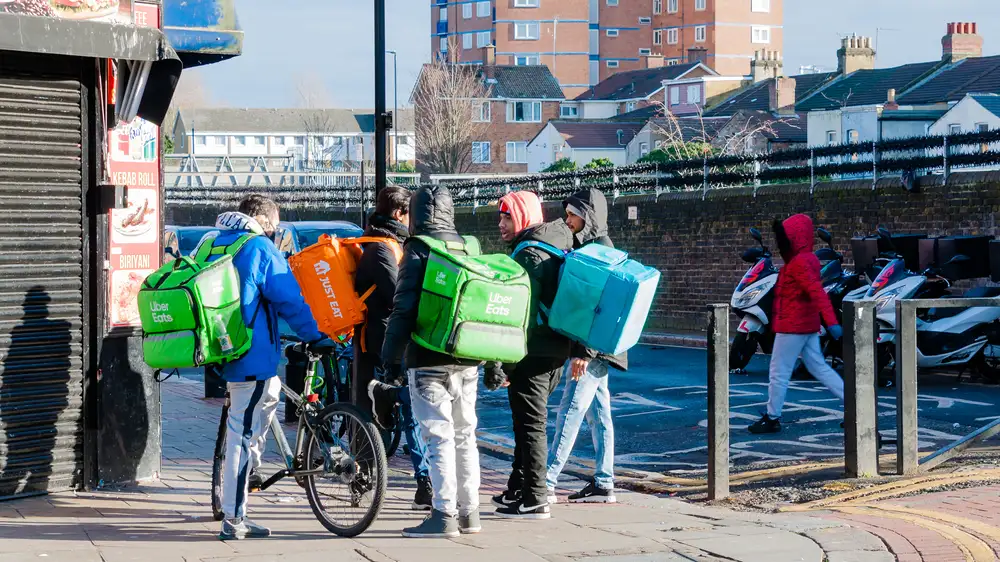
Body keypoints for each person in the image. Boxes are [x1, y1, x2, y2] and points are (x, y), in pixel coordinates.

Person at [380, 185, 506, 538]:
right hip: (468, 358)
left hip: (427, 359)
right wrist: (494, 361)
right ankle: (471, 514)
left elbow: (403, 310)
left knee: (437, 436)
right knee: (466, 435)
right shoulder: (469, 248)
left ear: (417, 214)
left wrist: (389, 360)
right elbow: (486, 311)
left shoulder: (418, 250)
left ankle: (443, 514)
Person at [206, 194, 333, 541]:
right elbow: (288, 297)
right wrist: (314, 334)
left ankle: (246, 485)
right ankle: (234, 520)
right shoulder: (258, 248)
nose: (275, 235)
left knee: (265, 402)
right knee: (241, 436)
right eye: (274, 229)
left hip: (222, 351)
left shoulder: (215, 243)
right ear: (262, 222)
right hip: (253, 355)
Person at [492, 191, 574, 520]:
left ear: (524, 216)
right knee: (525, 424)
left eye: (507, 216)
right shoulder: (553, 244)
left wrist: (502, 363)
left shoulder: (529, 257)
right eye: (500, 216)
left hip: (534, 352)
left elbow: (517, 317)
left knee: (531, 426)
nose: (501, 223)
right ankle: (521, 490)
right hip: (554, 349)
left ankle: (537, 496)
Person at [355, 186, 433, 511]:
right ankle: (420, 480)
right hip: (384, 343)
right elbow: (395, 297)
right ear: (400, 214)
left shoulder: (388, 243)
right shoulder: (382, 248)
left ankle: (418, 481)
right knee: (406, 409)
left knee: (404, 411)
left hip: (389, 340)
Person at [545, 188, 625, 504]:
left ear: (588, 216)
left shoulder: (600, 250)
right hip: (597, 347)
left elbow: (599, 307)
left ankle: (546, 482)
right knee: (598, 413)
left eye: (572, 214)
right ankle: (604, 483)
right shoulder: (593, 246)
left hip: (590, 349)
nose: (568, 220)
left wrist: (582, 353)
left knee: (570, 411)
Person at [749, 213, 844, 435]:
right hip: (805, 325)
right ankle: (857, 407)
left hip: (793, 326)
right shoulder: (806, 259)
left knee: (778, 372)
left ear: (795, 238)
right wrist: (829, 323)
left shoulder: (800, 262)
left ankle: (772, 417)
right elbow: (815, 293)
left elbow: (817, 293)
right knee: (819, 367)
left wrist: (832, 322)